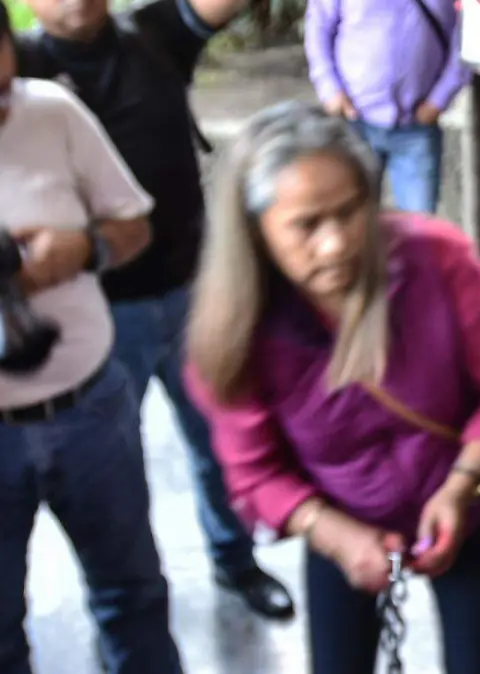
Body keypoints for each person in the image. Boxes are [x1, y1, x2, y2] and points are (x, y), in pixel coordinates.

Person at [183, 102, 480, 674]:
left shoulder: (438, 260)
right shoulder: (238, 329)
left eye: (350, 213)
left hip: (469, 503)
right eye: (305, 225)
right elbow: (254, 471)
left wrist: (462, 485)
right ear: (255, 231)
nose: (336, 244)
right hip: (338, 519)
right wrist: (332, 534)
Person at [14, 0, 295, 618]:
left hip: (193, 288)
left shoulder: (154, 34)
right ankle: (122, 601)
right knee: (111, 476)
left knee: (221, 438)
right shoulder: (22, 72)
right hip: (98, 316)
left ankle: (237, 561)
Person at [0, 4, 183, 672]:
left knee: (133, 596)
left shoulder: (49, 111)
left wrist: (83, 250)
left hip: (90, 408)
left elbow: (135, 226)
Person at [303, 0, 480, 214]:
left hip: (416, 127)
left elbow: (465, 37)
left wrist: (438, 101)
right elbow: (318, 27)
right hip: (356, 122)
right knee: (354, 216)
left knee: (420, 226)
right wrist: (330, 90)